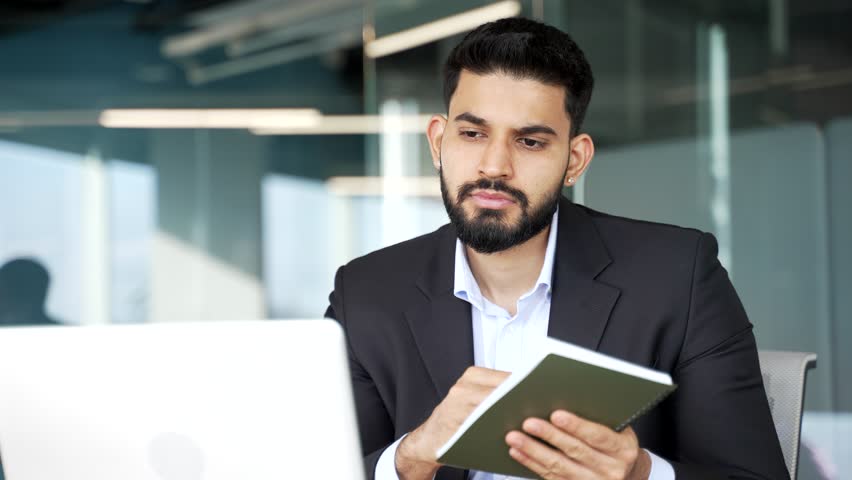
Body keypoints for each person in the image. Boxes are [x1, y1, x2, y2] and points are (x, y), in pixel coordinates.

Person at [326, 18, 788, 480]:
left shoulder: (677, 276)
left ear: (575, 160)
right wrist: (409, 457)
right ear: (437, 142)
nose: (494, 166)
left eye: (529, 141)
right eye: (472, 134)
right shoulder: (366, 293)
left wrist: (641, 474)